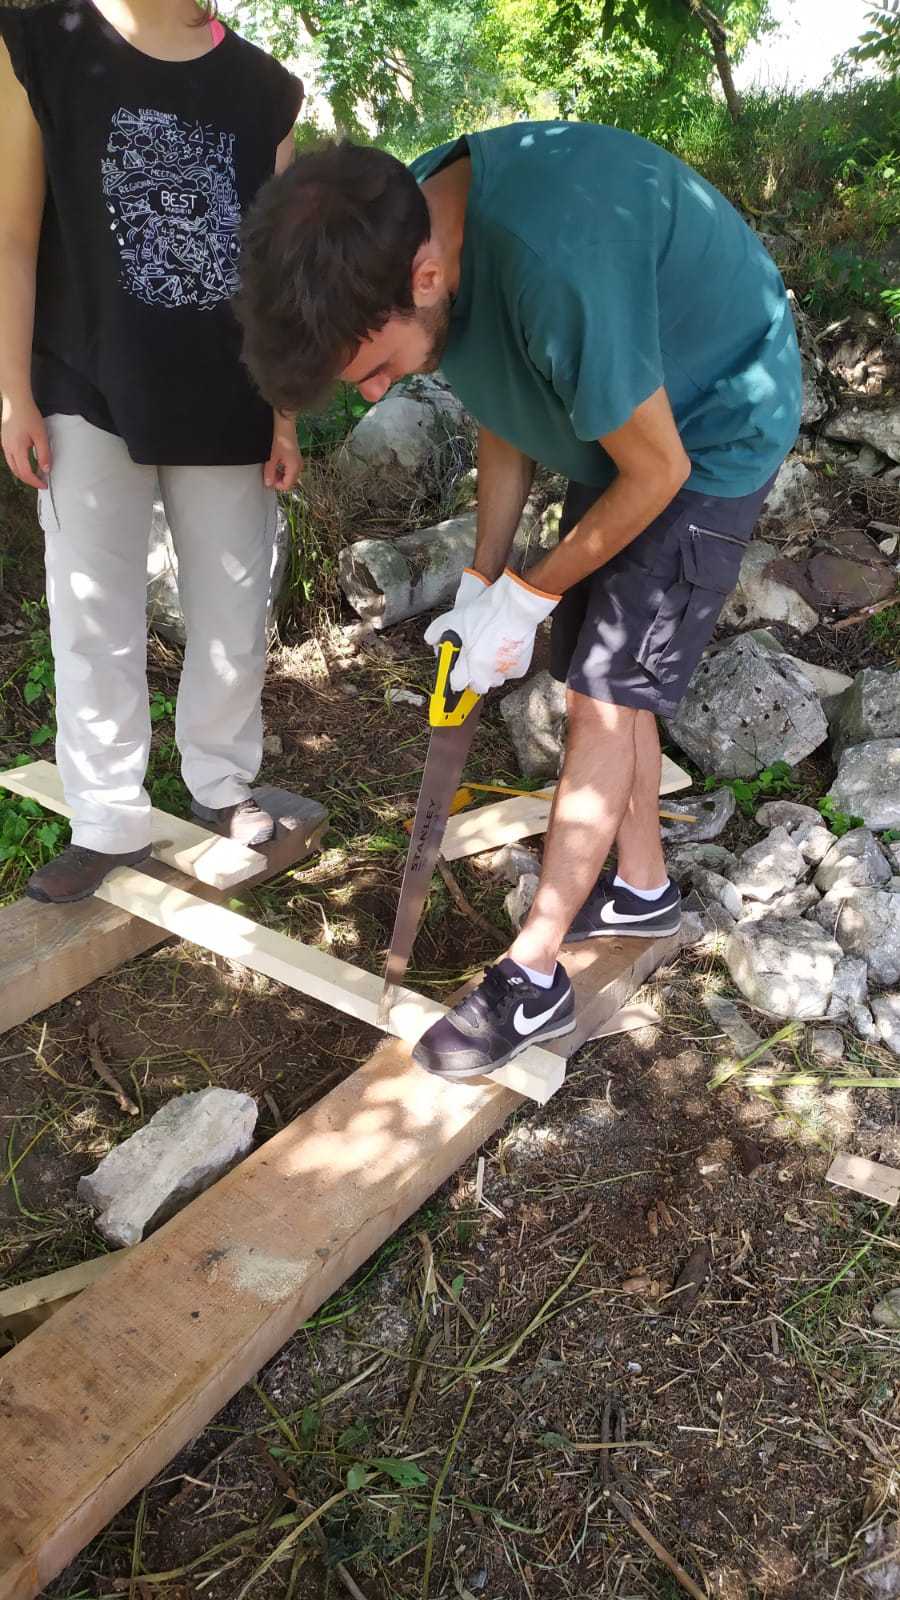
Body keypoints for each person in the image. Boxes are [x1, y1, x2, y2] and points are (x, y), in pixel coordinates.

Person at [236, 123, 802, 1078]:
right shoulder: (402, 223)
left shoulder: (554, 267)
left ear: (426, 277)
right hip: (629, 412)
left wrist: (532, 593)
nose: (371, 394)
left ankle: (534, 978)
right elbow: (505, 402)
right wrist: (485, 580)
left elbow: (656, 471)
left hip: (707, 427)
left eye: (372, 368)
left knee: (605, 692)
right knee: (595, 665)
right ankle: (644, 889)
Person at [0, 0, 304, 903]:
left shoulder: (264, 88)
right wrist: (13, 392)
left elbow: (280, 277)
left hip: (232, 394)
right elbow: (12, 236)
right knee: (91, 614)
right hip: (86, 382)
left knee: (233, 610)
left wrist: (285, 414)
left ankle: (222, 782)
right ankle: (105, 820)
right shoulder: (44, 44)